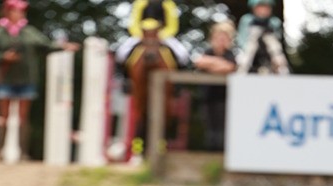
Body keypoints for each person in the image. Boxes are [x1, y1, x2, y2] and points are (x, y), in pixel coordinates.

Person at [0, 0, 76, 161]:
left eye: (22, 11)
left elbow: (46, 45)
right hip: (5, 79)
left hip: (26, 79)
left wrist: (63, 47)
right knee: (4, 117)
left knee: (23, 118)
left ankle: (23, 153)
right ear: (7, 12)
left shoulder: (29, 31)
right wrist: (4, 57)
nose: (20, 14)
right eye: (17, 11)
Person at [194, 21, 238, 153]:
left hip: (225, 99)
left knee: (222, 131)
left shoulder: (230, 54)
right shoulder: (208, 51)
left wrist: (211, 64)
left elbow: (229, 67)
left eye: (224, 38)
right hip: (208, 98)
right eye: (219, 38)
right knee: (210, 130)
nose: (221, 41)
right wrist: (218, 64)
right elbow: (199, 62)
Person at [115, 0, 189, 73]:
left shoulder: (168, 3)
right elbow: (134, 23)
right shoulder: (139, 3)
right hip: (141, 34)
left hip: (163, 36)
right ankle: (122, 75)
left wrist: (160, 35)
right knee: (122, 52)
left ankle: (180, 76)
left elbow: (173, 26)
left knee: (182, 54)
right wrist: (142, 35)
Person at [236, 0, 289, 74]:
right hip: (251, 47)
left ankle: (282, 71)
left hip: (268, 49)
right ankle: (241, 72)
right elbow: (242, 39)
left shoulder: (274, 22)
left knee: (273, 44)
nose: (263, 10)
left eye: (266, 7)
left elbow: (277, 38)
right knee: (250, 46)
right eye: (260, 7)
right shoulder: (247, 20)